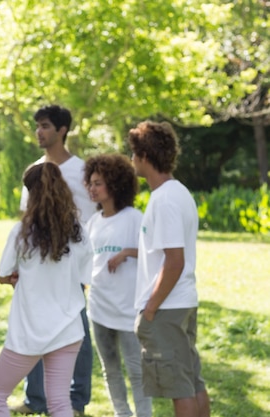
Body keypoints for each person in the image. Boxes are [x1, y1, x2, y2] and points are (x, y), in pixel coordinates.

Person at [0, 162, 93, 417]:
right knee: (59, 403)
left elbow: (3, 274)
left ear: (30, 193)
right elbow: (84, 279)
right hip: (69, 329)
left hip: (30, 331)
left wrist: (16, 277)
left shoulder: (22, 232)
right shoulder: (78, 231)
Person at [14, 105, 96, 417]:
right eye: (37, 126)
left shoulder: (82, 170)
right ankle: (35, 399)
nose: (39, 131)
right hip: (37, 267)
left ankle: (76, 401)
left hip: (72, 267)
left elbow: (96, 217)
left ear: (62, 130)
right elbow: (27, 219)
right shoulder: (34, 170)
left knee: (78, 331)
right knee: (35, 327)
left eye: (45, 126)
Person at [127, 121, 210, 417]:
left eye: (134, 153)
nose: (132, 160)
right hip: (180, 304)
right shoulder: (177, 193)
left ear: (146, 156)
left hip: (167, 308)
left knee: (179, 389)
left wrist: (150, 309)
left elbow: (175, 261)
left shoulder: (165, 199)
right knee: (191, 383)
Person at [84, 154, 152, 417]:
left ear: (114, 184)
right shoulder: (92, 222)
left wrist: (125, 253)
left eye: (98, 183)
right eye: (90, 183)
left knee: (136, 369)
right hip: (99, 307)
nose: (92, 188)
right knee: (109, 368)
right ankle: (121, 413)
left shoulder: (135, 218)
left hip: (128, 308)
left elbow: (153, 253)